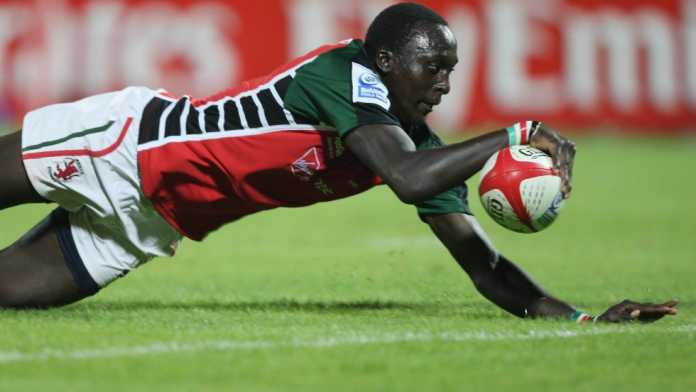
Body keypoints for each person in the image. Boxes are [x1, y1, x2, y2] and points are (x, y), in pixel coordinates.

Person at [0, 2, 678, 322]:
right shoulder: (344, 73)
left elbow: (486, 267)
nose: (444, 81)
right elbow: (408, 179)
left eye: (452, 68)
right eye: (431, 65)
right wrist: (518, 132)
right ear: (385, 61)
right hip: (122, 144)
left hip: (152, 221)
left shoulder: (413, 145)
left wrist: (581, 319)